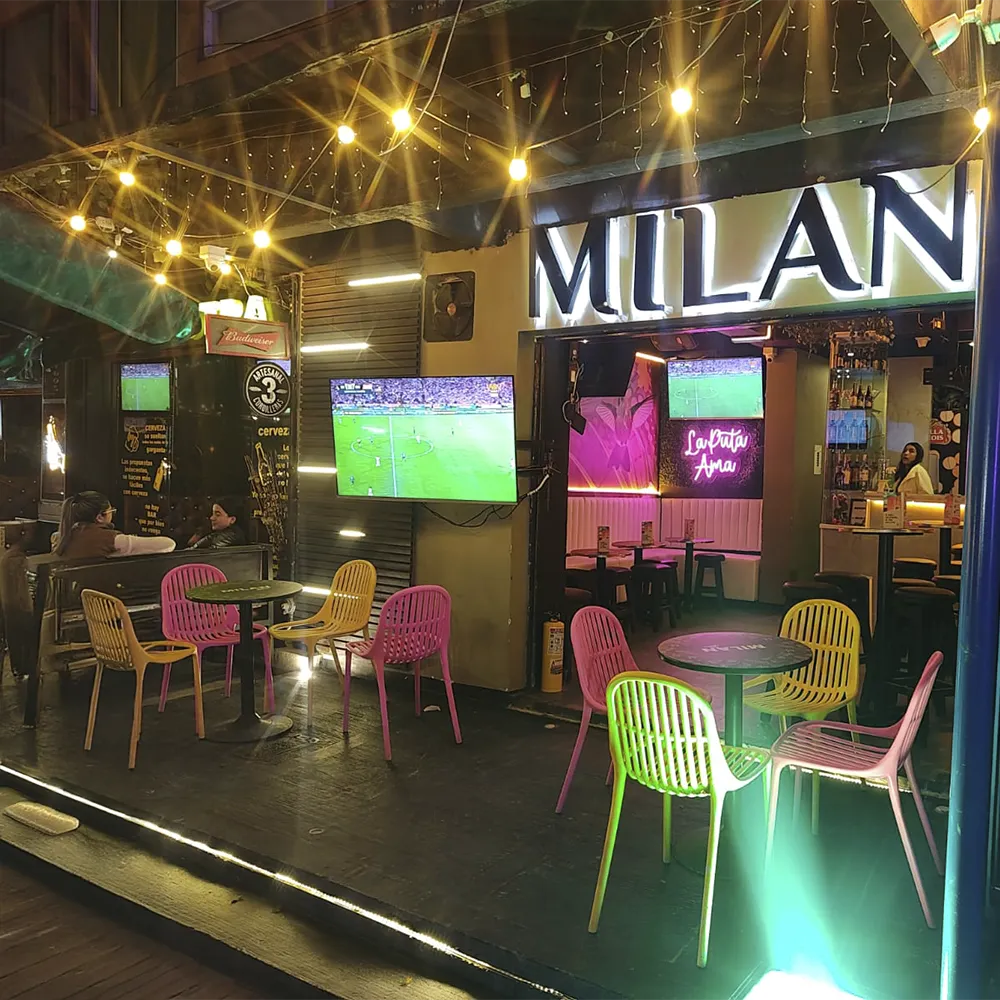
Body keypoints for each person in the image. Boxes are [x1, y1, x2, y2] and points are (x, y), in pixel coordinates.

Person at [52, 492, 176, 559]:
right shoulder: (110, 539)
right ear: (100, 517)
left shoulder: (59, 537)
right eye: (111, 511)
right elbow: (168, 544)